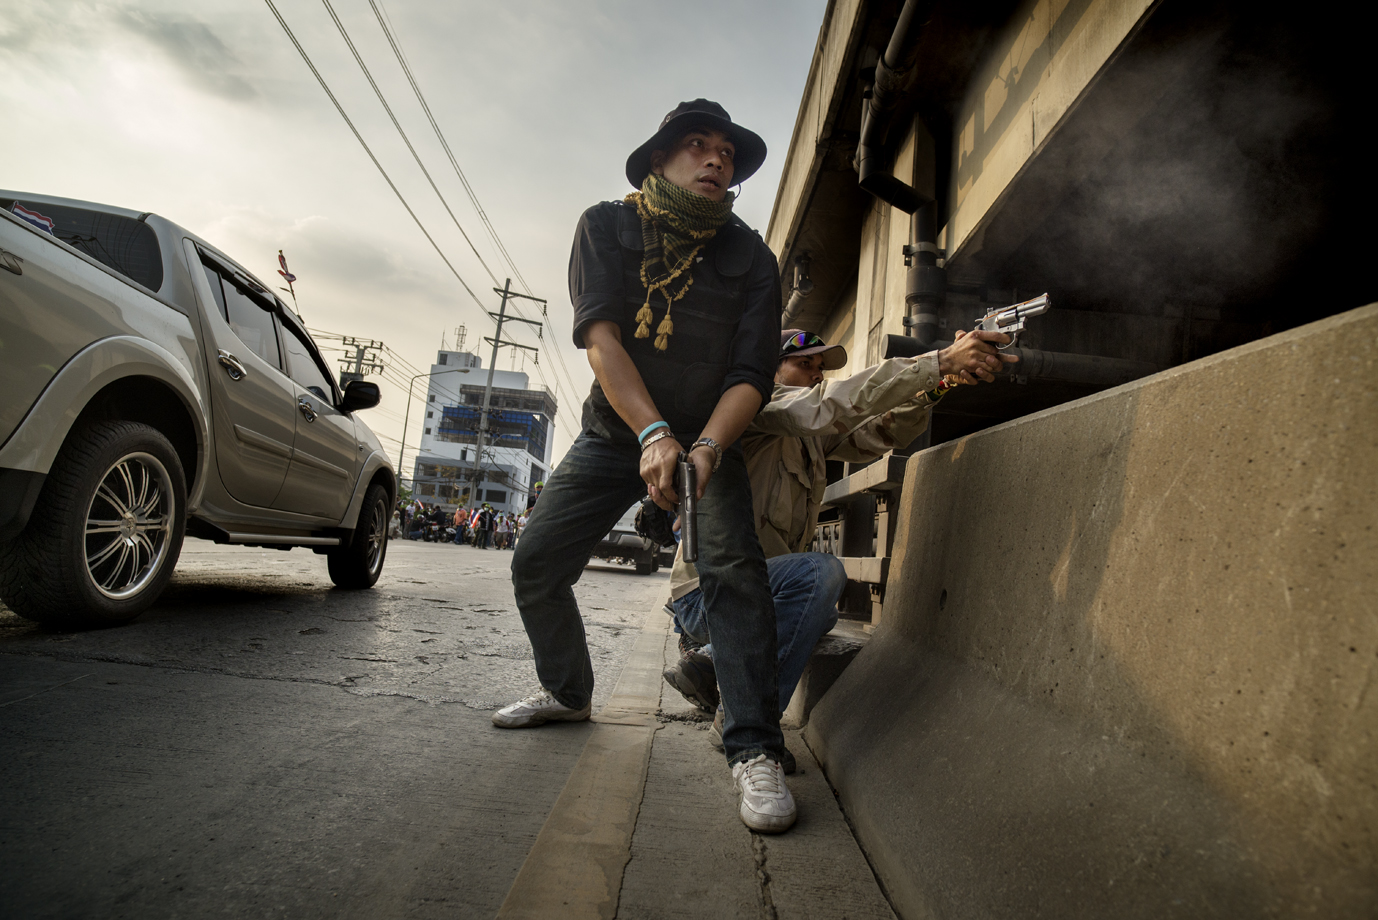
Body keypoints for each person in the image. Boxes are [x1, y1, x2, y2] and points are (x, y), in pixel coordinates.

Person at [496, 100, 797, 833]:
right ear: (659, 160)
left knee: (733, 571)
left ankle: (754, 746)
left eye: (726, 151)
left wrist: (701, 448)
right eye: (696, 146)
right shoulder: (606, 226)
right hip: (616, 432)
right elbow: (600, 338)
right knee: (536, 562)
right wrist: (651, 431)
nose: (715, 159)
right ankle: (568, 693)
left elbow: (753, 372)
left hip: (705, 442)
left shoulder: (752, 257)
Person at [663, 327, 1017, 771]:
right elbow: (830, 404)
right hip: (709, 592)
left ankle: (713, 664)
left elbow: (880, 432)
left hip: (753, 592)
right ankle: (748, 723)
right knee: (821, 575)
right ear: (770, 370)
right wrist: (938, 360)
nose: (814, 375)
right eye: (803, 364)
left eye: (819, 368)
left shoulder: (809, 436)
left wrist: (936, 386)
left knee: (823, 609)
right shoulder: (754, 407)